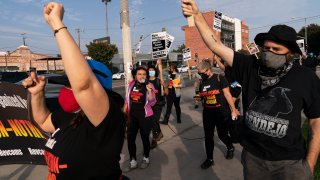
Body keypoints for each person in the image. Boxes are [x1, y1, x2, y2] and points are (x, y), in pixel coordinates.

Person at [181, 0, 320, 179]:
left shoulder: (305, 77)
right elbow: (216, 45)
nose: (269, 52)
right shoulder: (250, 66)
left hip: (290, 163)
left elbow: (316, 121)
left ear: (290, 53)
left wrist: (309, 164)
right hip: (254, 159)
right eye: (266, 48)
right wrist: (198, 16)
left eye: (276, 49)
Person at [22, 2, 127, 179]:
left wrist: (56, 23)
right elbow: (43, 120)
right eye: (66, 84)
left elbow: (84, 85)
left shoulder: (107, 119)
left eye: (70, 84)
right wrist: (37, 94)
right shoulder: (69, 116)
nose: (66, 89)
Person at [197, 60, 240, 169]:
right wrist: (199, 97)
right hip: (207, 113)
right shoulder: (201, 82)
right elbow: (202, 95)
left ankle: (230, 147)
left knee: (222, 134)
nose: (201, 75)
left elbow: (227, 94)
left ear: (209, 69)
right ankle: (209, 159)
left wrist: (233, 110)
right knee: (208, 136)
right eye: (199, 73)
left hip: (221, 112)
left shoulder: (219, 78)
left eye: (202, 73)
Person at [124, 66, 156, 171]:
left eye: (144, 74)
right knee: (130, 139)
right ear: (135, 75)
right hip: (132, 116)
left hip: (145, 116)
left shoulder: (149, 85)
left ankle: (146, 158)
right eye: (139, 74)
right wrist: (124, 114)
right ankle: (133, 161)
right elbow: (126, 100)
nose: (142, 76)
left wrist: (150, 91)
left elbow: (152, 102)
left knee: (145, 138)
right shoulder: (131, 84)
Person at [148, 63, 165, 149]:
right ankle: (159, 133)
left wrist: (163, 85)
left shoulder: (159, 80)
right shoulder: (146, 81)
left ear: (155, 71)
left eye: (152, 70)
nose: (151, 71)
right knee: (153, 121)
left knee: (154, 121)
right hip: (149, 104)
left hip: (158, 104)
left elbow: (165, 93)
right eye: (150, 70)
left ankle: (154, 140)